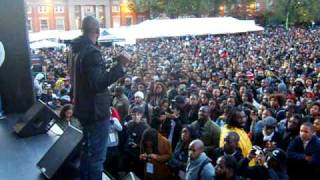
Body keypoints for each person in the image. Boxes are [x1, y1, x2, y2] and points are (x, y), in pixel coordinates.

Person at [70, 16, 130, 180]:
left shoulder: (76, 49)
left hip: (84, 109)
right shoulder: (91, 52)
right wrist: (121, 66)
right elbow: (98, 84)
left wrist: (111, 64)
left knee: (87, 152)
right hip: (95, 113)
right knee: (96, 158)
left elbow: (90, 79)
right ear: (97, 31)